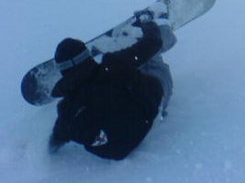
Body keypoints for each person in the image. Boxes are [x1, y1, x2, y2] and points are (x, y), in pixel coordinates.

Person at [48, 10, 176, 160]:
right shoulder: (113, 65)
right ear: (86, 56)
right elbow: (153, 43)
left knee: (127, 70)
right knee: (150, 58)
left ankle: (129, 45)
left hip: (118, 149)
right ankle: (162, 25)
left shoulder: (66, 111)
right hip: (153, 109)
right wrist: (147, 23)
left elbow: (55, 141)